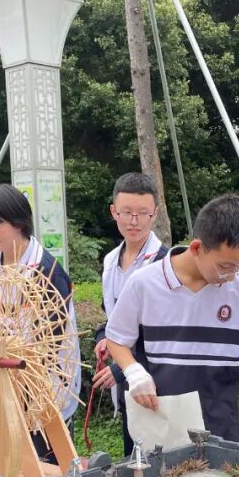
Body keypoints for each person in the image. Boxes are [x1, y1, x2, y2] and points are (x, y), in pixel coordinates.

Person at [105, 194, 239, 448]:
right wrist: (133, 372)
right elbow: (116, 338)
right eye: (226, 266)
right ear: (197, 248)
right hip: (162, 429)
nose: (232, 276)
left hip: (221, 433)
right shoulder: (145, 283)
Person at [0, 185, 82, 448]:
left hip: (42, 386)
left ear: (18, 222)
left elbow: (50, 345)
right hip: (3, 382)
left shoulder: (47, 271)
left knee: (46, 457)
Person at [91, 173, 169, 456]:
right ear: (114, 212)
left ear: (154, 214)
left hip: (157, 386)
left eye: (142, 213)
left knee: (158, 463)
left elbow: (165, 336)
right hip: (127, 388)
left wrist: (120, 369)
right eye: (126, 212)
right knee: (131, 459)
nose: (134, 221)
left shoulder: (164, 263)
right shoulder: (110, 261)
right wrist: (103, 337)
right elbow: (113, 319)